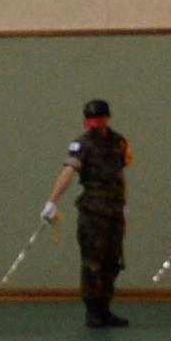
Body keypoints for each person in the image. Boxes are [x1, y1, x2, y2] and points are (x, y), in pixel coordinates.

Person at [45, 99, 131, 328]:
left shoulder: (118, 142)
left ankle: (105, 308)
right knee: (93, 260)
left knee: (113, 260)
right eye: (91, 121)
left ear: (108, 118)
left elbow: (120, 174)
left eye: (99, 120)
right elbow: (69, 171)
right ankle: (93, 310)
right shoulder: (81, 144)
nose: (94, 125)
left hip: (114, 208)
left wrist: (125, 204)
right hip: (93, 209)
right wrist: (52, 201)